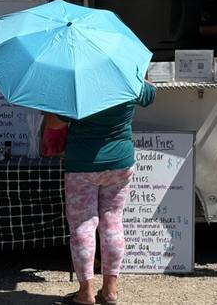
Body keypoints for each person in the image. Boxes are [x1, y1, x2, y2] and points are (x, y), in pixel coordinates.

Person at [63, 77, 156, 305]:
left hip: (82, 164)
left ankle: (85, 293)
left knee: (83, 227)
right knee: (113, 223)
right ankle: (110, 291)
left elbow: (56, 122)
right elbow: (150, 95)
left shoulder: (78, 82)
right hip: (120, 162)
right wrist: (145, 80)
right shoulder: (125, 77)